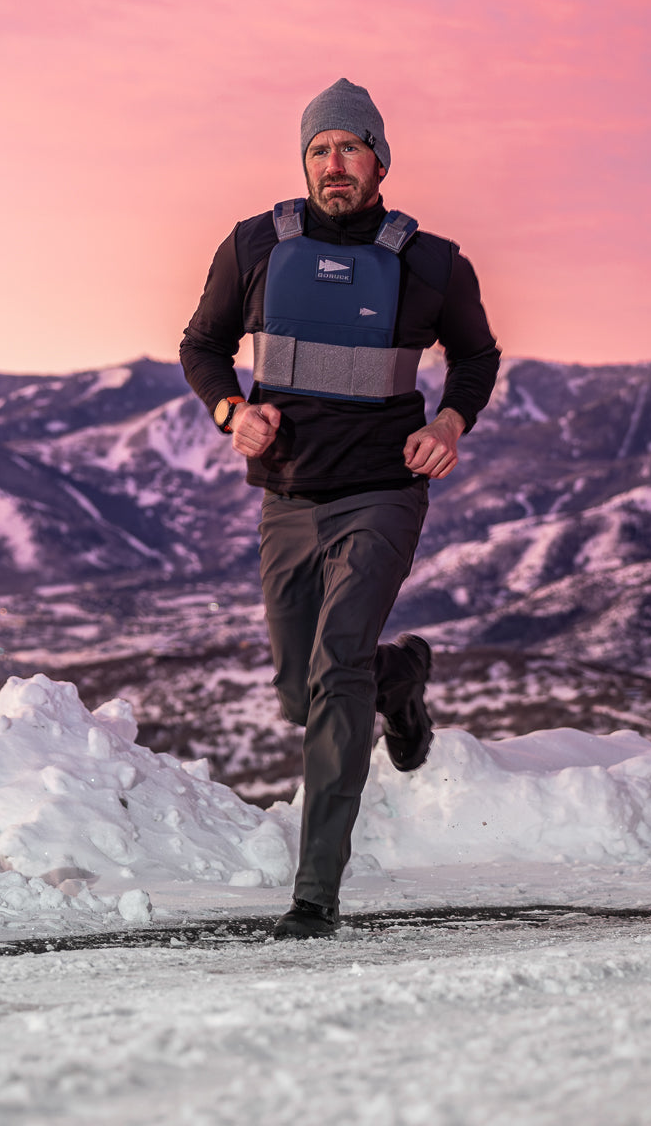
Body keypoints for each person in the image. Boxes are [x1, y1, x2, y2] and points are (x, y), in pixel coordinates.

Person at [180, 78, 500, 939]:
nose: (334, 163)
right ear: (304, 161)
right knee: (300, 691)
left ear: (380, 161)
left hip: (384, 490)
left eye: (350, 147)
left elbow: (478, 356)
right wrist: (230, 411)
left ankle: (314, 894)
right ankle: (399, 679)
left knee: (334, 669)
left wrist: (450, 421)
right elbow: (201, 345)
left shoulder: (432, 262)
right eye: (320, 149)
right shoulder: (253, 247)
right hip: (287, 492)